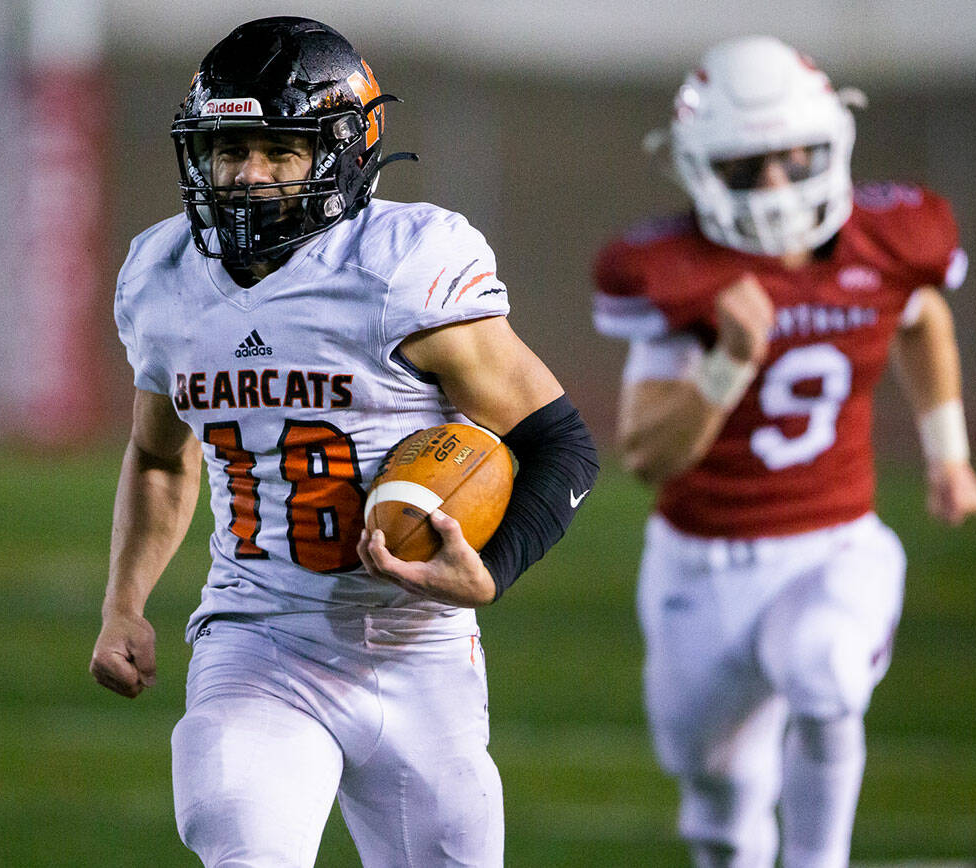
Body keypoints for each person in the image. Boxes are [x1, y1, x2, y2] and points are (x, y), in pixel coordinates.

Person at [88, 17, 598, 867]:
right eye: (228, 149)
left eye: (279, 151)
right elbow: (157, 457)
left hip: (419, 648)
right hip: (258, 638)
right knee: (243, 838)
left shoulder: (402, 267)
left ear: (341, 152)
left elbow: (562, 444)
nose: (247, 177)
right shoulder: (163, 277)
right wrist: (123, 602)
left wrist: (493, 567)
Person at [592, 36, 976, 868]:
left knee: (827, 670)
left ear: (832, 143)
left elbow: (923, 319)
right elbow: (647, 456)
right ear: (700, 171)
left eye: (794, 156)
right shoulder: (677, 271)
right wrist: (727, 363)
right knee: (721, 806)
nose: (775, 183)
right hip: (702, 568)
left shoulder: (887, 241)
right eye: (745, 166)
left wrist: (948, 455)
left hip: (833, 546)